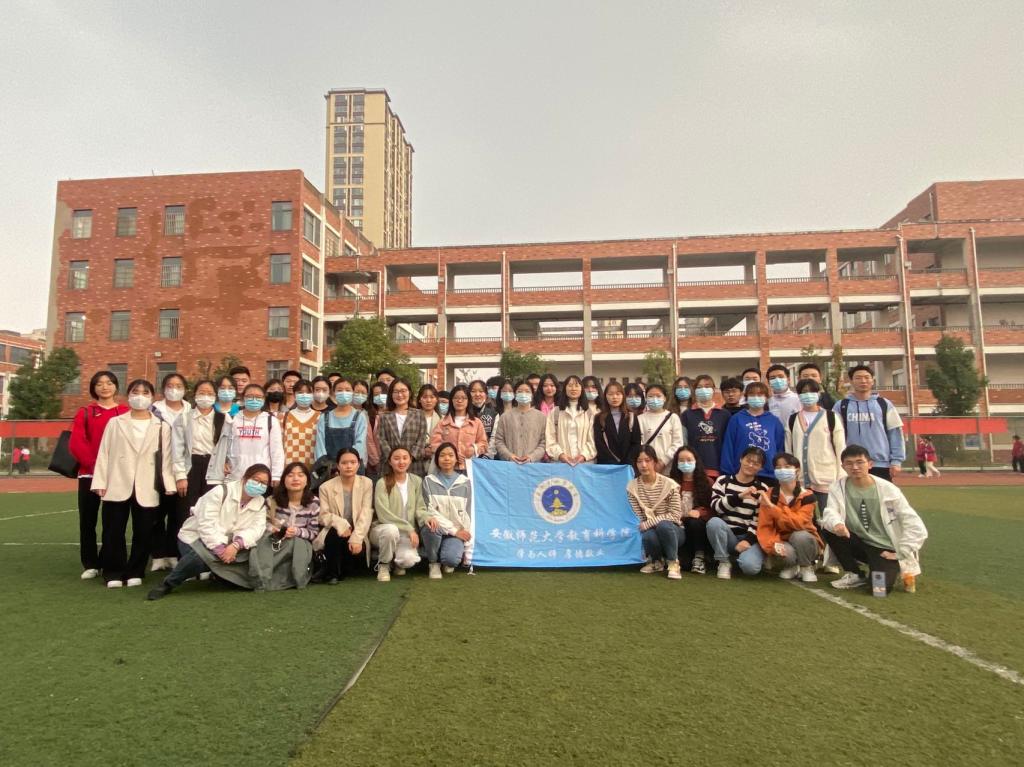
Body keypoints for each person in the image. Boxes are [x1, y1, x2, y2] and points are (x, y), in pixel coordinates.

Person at [91, 379, 177, 589]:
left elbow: (166, 458)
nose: (140, 396)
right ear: (128, 396)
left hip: (147, 484)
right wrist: (100, 481)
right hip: (117, 481)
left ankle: (136, 571)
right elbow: (104, 453)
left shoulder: (162, 426)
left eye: (145, 392)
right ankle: (113, 572)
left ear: (152, 397)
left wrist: (169, 484)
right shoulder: (115, 422)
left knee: (144, 531)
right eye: (135, 392)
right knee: (113, 530)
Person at [145, 464, 271, 600]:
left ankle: (218, 574)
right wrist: (220, 549)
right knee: (200, 558)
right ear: (244, 478)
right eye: (256, 480)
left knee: (250, 555)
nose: (259, 485)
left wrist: (236, 545)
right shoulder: (221, 492)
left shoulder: (261, 503)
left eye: (264, 483)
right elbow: (206, 524)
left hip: (230, 545)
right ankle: (168, 584)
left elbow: (256, 529)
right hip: (195, 538)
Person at [820, 445, 928, 592]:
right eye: (849, 463)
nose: (855, 467)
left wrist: (901, 552)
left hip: (884, 549)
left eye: (860, 462)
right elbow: (830, 512)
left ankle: (891, 569)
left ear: (870, 464)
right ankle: (855, 574)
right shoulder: (838, 486)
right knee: (829, 528)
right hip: (859, 542)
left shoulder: (888, 490)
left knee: (878, 590)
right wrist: (837, 524)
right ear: (843, 466)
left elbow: (915, 524)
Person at [69, 370, 130, 580]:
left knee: (113, 521)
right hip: (90, 474)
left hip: (117, 475)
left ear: (116, 386)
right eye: (99, 384)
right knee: (88, 520)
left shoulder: (125, 412)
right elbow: (77, 442)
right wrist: (95, 466)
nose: (105, 387)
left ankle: (107, 560)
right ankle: (90, 563)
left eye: (109, 383)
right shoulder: (85, 412)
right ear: (93, 388)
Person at [251, 462, 320, 590]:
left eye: (300, 475)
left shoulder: (314, 503)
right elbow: (261, 523)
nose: (295, 479)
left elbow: (314, 533)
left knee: (299, 544)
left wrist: (297, 531)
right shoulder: (272, 500)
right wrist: (273, 529)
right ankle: (262, 578)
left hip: (297, 546)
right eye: (290, 475)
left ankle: (296, 577)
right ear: (284, 480)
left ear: (307, 481)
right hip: (274, 543)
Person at [756, 453, 823, 582]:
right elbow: (765, 526)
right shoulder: (769, 494)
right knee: (784, 551)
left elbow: (799, 523)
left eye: (787, 467)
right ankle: (792, 566)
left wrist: (774, 508)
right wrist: (773, 545)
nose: (782, 470)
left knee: (800, 536)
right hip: (781, 540)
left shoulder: (808, 496)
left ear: (797, 470)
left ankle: (806, 567)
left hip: (806, 541)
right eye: (778, 467)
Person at [150, 373, 192, 572]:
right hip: (158, 468)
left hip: (183, 470)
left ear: (185, 389)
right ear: (163, 388)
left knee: (178, 514)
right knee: (157, 514)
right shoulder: (154, 410)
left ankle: (173, 552)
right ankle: (158, 555)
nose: (174, 389)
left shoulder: (190, 410)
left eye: (178, 385)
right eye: (170, 385)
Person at [833, 365, 905, 480]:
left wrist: (896, 461)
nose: (863, 381)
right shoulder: (841, 406)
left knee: (881, 492)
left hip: (880, 464)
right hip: (851, 464)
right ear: (851, 381)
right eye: (858, 378)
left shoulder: (884, 404)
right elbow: (834, 435)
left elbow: (895, 433)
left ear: (872, 380)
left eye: (867, 377)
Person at [785, 379, 847, 513]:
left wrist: (841, 475)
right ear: (799, 395)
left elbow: (840, 448)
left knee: (828, 515)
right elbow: (788, 450)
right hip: (800, 480)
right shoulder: (792, 419)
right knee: (804, 518)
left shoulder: (831, 417)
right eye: (804, 392)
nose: (808, 394)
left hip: (826, 478)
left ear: (818, 394)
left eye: (812, 391)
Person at [708, 446, 769, 579]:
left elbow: (760, 520)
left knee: (750, 568)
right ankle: (723, 561)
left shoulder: (762, 488)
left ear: (761, 468)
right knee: (714, 523)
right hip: (727, 535)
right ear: (741, 459)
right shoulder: (723, 481)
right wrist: (739, 497)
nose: (751, 465)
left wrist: (748, 540)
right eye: (748, 460)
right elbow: (716, 508)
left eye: (756, 463)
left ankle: (747, 557)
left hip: (748, 536)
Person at [315, 448, 374, 583]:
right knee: (335, 533)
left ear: (358, 465)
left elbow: (366, 512)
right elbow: (323, 515)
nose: (349, 466)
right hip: (336, 534)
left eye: (353, 462)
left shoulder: (366, 483)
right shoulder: (325, 487)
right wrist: (341, 524)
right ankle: (332, 574)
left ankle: (336, 569)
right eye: (344, 463)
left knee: (350, 564)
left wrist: (356, 538)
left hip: (358, 533)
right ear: (338, 465)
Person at [370, 446, 426, 582]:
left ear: (410, 460)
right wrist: (409, 528)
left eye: (405, 458)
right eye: (396, 458)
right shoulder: (382, 482)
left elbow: (420, 508)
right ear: (390, 462)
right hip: (383, 531)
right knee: (391, 530)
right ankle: (384, 565)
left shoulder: (416, 481)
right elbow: (383, 514)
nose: (401, 462)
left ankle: (396, 561)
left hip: (406, 535)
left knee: (408, 560)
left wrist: (427, 518)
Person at [627, 446, 683, 580]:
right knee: (648, 536)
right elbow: (639, 517)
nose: (643, 465)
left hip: (674, 531)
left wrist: (649, 523)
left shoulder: (670, 484)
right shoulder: (632, 487)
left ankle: (673, 563)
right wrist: (647, 525)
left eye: (647, 460)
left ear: (655, 462)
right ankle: (656, 561)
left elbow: (675, 515)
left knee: (664, 525)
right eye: (639, 461)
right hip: (651, 530)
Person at [421, 442, 473, 579]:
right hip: (439, 529)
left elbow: (468, 512)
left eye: (451, 455)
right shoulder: (428, 481)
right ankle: (433, 563)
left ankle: (446, 557)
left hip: (455, 534)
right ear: (437, 459)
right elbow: (430, 511)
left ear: (456, 459)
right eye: (442, 455)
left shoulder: (465, 482)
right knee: (430, 526)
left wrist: (463, 533)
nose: (447, 459)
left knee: (451, 560)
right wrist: (454, 530)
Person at [720, 382, 784, 484]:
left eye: (760, 395)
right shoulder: (736, 419)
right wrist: (727, 472)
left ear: (766, 397)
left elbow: (780, 448)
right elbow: (728, 446)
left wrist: (779, 470)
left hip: (768, 474)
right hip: (741, 473)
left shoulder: (774, 421)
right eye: (752, 395)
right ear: (746, 397)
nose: (756, 398)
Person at [226, 383, 285, 485]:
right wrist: (223, 462)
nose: (254, 400)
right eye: (249, 396)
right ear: (243, 398)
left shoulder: (271, 420)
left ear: (264, 399)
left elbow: (277, 450)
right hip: (235, 474)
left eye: (258, 397)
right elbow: (224, 445)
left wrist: (276, 475)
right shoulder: (232, 419)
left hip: (261, 476)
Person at [174, 379, 218, 513]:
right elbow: (177, 449)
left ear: (215, 396)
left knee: (210, 510)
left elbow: (229, 447)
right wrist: (180, 476)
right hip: (191, 466)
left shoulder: (223, 419)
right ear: (195, 395)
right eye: (202, 393)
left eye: (210, 393)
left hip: (213, 467)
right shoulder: (183, 418)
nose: (205, 396)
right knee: (186, 510)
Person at [669, 446, 714, 573]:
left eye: (689, 460)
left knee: (695, 522)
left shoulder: (707, 482)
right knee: (685, 565)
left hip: (698, 528)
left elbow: (714, 509)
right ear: (676, 463)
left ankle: (700, 556)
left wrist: (700, 512)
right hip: (678, 526)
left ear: (696, 461)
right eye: (681, 460)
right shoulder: (670, 482)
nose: (685, 463)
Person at [377, 378, 430, 476]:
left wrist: (408, 458)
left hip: (414, 466)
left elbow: (421, 439)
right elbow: (381, 439)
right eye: (396, 392)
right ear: (391, 394)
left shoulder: (419, 414)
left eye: (403, 391)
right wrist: (393, 459)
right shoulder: (384, 416)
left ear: (409, 392)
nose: (400, 395)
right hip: (389, 467)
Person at [680, 375, 731, 478]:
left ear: (713, 390)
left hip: (719, 468)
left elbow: (728, 443)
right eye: (699, 387)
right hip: (694, 468)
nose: (703, 390)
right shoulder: (687, 414)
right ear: (694, 391)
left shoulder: (724, 414)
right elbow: (684, 442)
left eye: (707, 386)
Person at [429, 384, 487, 471]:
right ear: (451, 400)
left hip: (469, 468)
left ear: (468, 401)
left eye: (463, 398)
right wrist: (450, 454)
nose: (459, 401)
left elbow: (484, 444)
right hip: (447, 469)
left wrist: (474, 449)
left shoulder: (476, 423)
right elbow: (434, 444)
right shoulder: (442, 423)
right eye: (456, 398)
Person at [314, 377, 368, 467]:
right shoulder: (324, 417)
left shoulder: (360, 417)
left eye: (347, 390)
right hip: (327, 469)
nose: (344, 393)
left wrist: (347, 465)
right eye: (339, 390)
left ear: (352, 393)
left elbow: (360, 445)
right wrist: (326, 467)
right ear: (333, 393)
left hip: (352, 467)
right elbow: (320, 447)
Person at [545, 375, 597, 465]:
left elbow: (592, 440)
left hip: (585, 463)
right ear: (565, 389)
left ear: (581, 389)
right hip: (560, 463)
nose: (573, 389)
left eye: (576, 386)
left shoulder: (589, 413)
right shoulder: (555, 412)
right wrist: (561, 455)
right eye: (570, 385)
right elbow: (550, 438)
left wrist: (583, 456)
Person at [493, 379, 548, 464]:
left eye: (527, 391)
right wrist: (509, 456)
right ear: (515, 394)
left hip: (534, 465)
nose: (523, 394)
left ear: (532, 395)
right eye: (520, 391)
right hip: (509, 465)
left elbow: (544, 442)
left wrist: (532, 457)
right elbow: (499, 441)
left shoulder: (541, 417)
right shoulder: (505, 417)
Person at [637, 383, 684, 475]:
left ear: (665, 398)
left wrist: (663, 461)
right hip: (646, 467)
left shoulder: (673, 417)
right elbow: (639, 443)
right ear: (646, 398)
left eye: (658, 396)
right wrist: (649, 461)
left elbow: (678, 443)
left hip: (669, 468)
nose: (654, 399)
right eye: (650, 396)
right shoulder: (640, 419)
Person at [593, 381, 641, 467]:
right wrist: (613, 462)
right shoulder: (599, 418)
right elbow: (599, 443)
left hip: (627, 465)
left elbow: (636, 442)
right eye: (610, 394)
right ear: (605, 396)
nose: (614, 397)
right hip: (606, 465)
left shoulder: (631, 416)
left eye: (618, 394)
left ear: (623, 396)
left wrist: (627, 461)